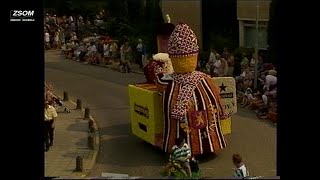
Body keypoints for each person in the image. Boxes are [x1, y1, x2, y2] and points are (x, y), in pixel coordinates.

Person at [156, 23, 228, 156]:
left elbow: (159, 83)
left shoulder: (169, 80)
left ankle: (182, 148)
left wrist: (160, 68)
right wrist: (222, 111)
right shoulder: (205, 79)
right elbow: (217, 96)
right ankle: (208, 145)